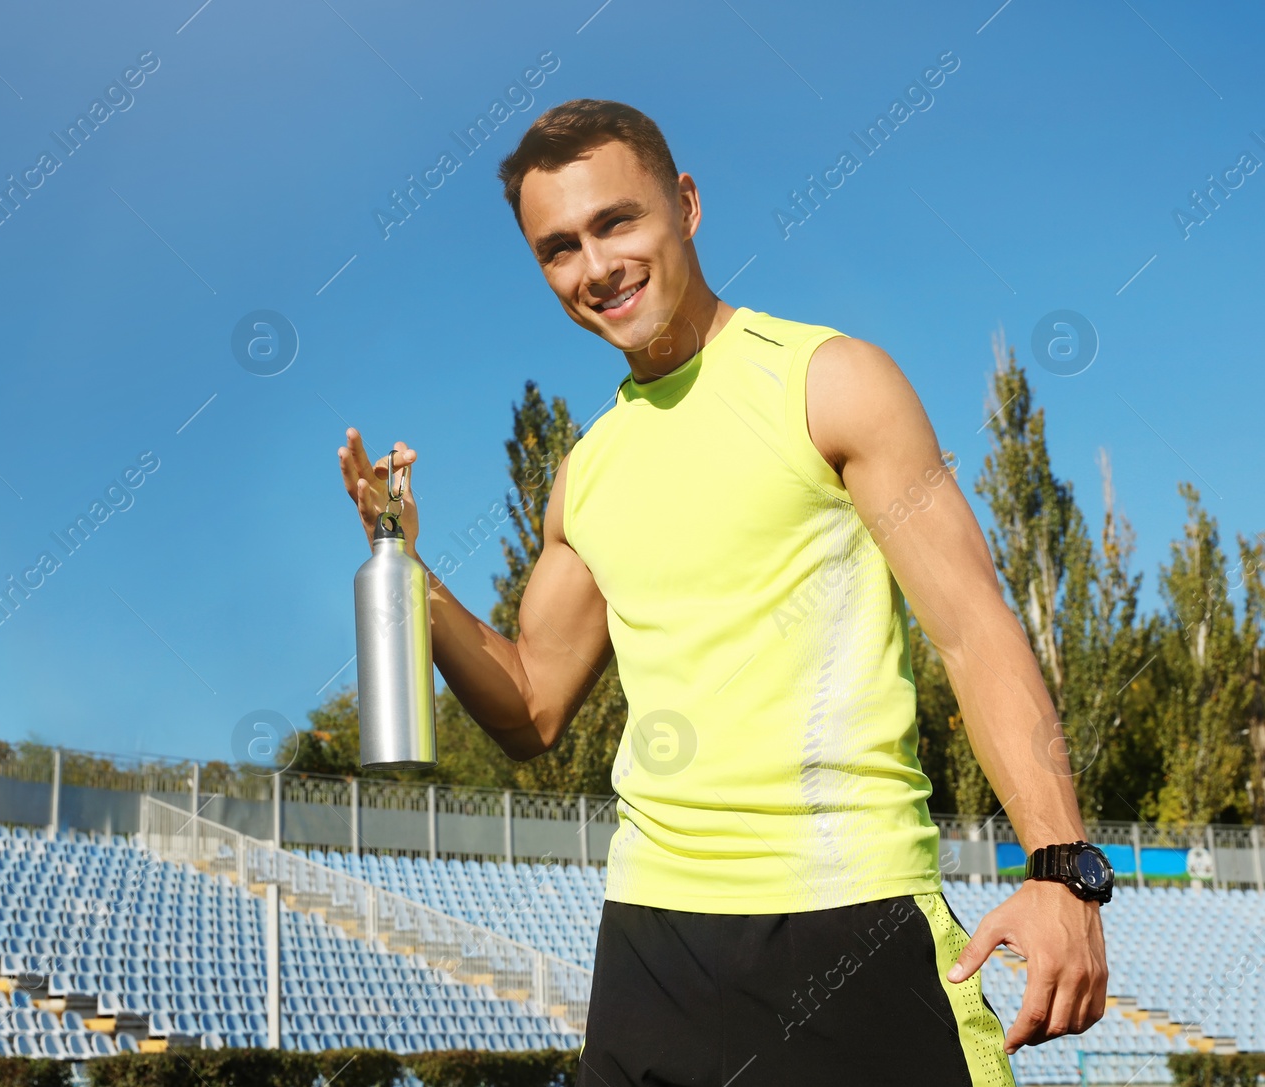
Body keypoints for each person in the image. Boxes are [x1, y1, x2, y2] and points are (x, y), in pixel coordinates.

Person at [336, 99, 1107, 1086]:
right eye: (558, 247)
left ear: (685, 204)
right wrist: (403, 563)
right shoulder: (587, 472)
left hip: (846, 921)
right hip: (650, 949)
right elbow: (530, 705)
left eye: (618, 221)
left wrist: (1060, 866)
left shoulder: (831, 381)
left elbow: (972, 626)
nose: (596, 266)